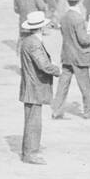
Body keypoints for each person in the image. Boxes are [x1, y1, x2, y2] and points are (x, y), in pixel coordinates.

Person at [17, 11, 58, 165]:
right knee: (34, 122)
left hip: (30, 87)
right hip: (34, 87)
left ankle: (28, 151)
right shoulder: (34, 43)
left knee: (31, 121)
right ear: (41, 28)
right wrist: (57, 69)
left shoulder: (28, 41)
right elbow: (44, 65)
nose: (48, 27)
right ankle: (31, 154)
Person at [52, 0, 90, 120]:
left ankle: (57, 111)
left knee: (63, 84)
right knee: (86, 86)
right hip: (80, 56)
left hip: (67, 55)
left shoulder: (65, 17)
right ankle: (89, 112)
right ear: (79, 1)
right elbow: (84, 40)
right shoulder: (78, 18)